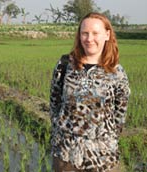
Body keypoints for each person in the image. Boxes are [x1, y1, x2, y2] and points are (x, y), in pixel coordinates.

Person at [49, 12, 130, 172]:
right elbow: (54, 103)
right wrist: (62, 133)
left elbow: (120, 113)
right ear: (79, 36)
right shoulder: (64, 65)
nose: (89, 38)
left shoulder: (117, 73)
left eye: (95, 33)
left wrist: (107, 139)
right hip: (66, 156)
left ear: (107, 35)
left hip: (103, 158)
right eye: (84, 33)